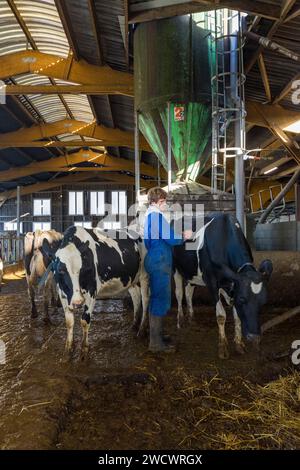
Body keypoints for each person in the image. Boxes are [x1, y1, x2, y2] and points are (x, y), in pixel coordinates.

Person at [144, 187, 193, 352]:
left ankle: (156, 336)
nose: (165, 204)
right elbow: (171, 239)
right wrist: (184, 236)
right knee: (160, 299)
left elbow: (154, 239)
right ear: (154, 202)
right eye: (163, 201)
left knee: (156, 298)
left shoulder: (150, 217)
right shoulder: (156, 217)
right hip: (160, 261)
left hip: (154, 257)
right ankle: (155, 344)